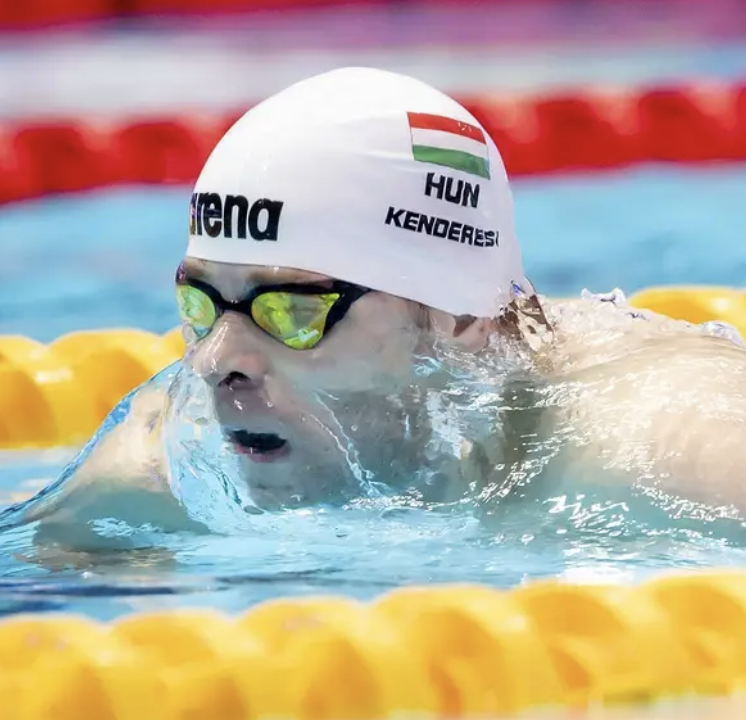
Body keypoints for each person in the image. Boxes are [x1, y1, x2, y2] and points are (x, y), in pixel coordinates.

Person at [9, 67, 746, 552]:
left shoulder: (669, 445)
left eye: (293, 310)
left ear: (458, 318)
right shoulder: (155, 466)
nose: (213, 362)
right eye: (200, 305)